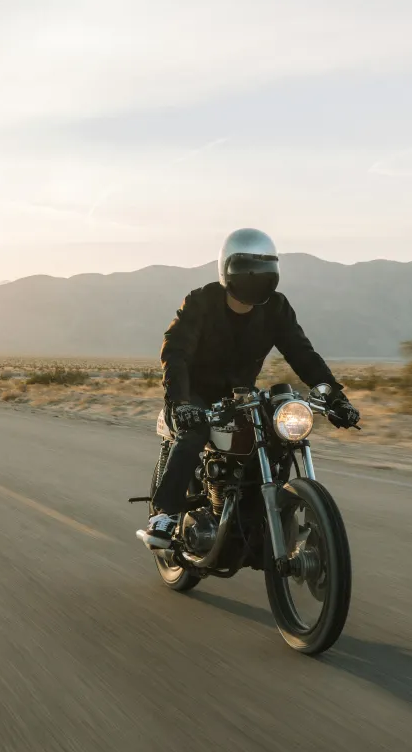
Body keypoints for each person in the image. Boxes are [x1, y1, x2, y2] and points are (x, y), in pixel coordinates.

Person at [141, 229, 360, 548]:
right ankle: (165, 514)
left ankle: (267, 510)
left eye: (263, 270)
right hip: (194, 393)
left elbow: (303, 354)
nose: (255, 278)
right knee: (195, 432)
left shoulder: (276, 308)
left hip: (241, 395)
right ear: (227, 270)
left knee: (279, 433)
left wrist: (336, 398)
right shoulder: (202, 302)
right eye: (247, 270)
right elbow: (176, 351)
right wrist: (181, 401)